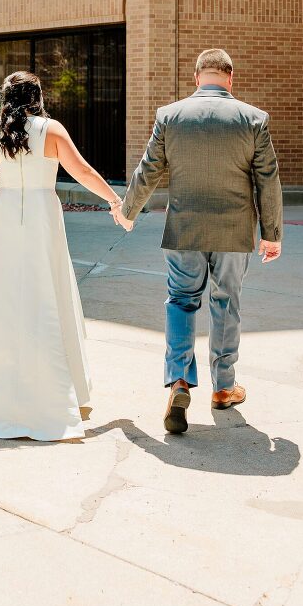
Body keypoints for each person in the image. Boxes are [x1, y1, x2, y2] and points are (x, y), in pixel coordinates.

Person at [0, 71, 125, 442]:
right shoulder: (52, 130)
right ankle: (54, 396)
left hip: (1, 218)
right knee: (45, 296)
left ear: (6, 98)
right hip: (42, 220)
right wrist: (114, 200)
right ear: (37, 97)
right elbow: (80, 171)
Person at [114, 49, 283, 434]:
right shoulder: (254, 119)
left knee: (181, 300)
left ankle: (178, 381)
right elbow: (268, 180)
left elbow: (148, 170)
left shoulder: (170, 116)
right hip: (233, 232)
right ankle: (223, 388)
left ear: (196, 78)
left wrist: (128, 211)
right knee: (226, 303)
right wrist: (271, 234)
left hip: (184, 230)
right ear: (230, 77)